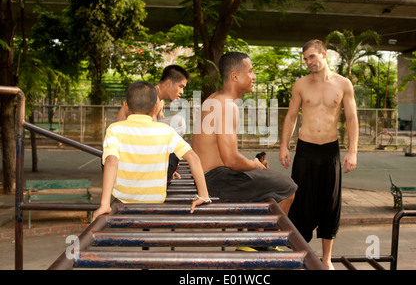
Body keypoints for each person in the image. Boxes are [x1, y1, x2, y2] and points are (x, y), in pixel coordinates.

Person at [279, 39, 359, 269]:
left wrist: (352, 151)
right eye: (305, 59)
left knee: (330, 202)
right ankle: (302, 253)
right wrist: (284, 146)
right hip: (305, 149)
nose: (308, 62)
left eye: (312, 57)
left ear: (324, 54)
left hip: (330, 151)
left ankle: (326, 258)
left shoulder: (343, 84)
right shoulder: (301, 84)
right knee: (301, 201)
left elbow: (352, 118)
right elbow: (292, 116)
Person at [191, 51, 297, 220]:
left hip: (208, 176)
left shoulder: (214, 98)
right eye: (250, 71)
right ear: (234, 76)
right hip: (216, 179)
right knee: (287, 187)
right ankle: (261, 245)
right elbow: (231, 160)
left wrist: (253, 164)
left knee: (267, 181)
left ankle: (253, 242)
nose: (254, 77)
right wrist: (254, 165)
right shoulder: (226, 105)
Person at [93, 81, 210, 220]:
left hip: (123, 196)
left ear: (125, 106)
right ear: (155, 108)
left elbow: (111, 161)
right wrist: (203, 195)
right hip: (155, 198)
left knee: (108, 155)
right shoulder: (166, 131)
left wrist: (105, 204)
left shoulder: (114, 129)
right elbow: (193, 157)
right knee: (172, 154)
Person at [117, 65, 190, 182]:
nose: (182, 92)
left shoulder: (157, 99)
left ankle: (163, 167)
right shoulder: (151, 98)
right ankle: (159, 169)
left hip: (135, 143)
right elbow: (152, 134)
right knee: (179, 123)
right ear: (168, 83)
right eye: (180, 86)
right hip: (128, 148)